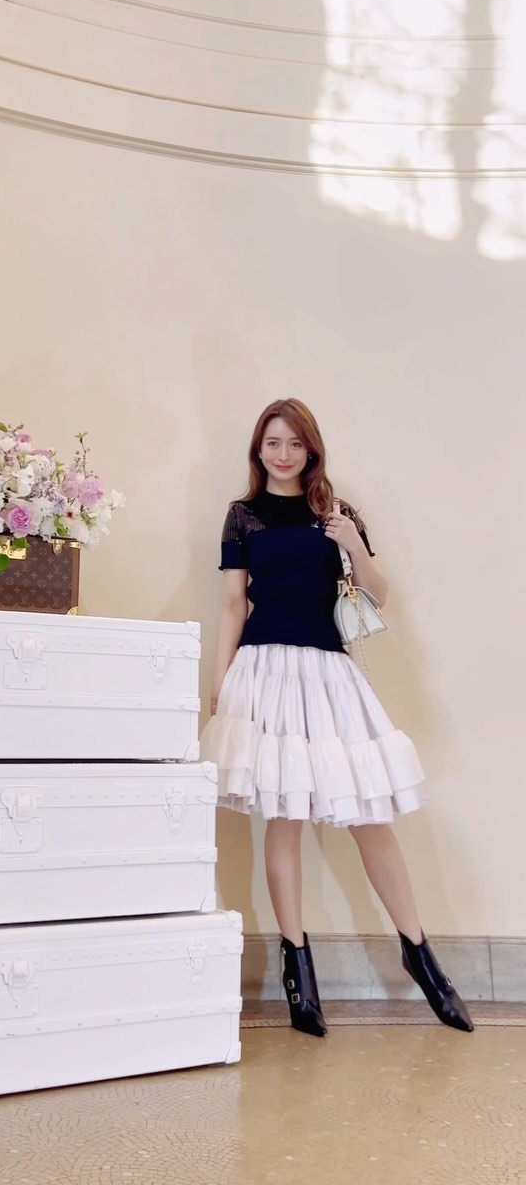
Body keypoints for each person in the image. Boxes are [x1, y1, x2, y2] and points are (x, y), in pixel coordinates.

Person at [201, 399, 473, 1037]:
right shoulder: (243, 515)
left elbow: (379, 594)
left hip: (329, 673)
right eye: (273, 442)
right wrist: (220, 681)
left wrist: (353, 543)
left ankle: (421, 957)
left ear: (312, 449)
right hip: (264, 671)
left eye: (295, 443)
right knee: (285, 819)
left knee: (370, 817)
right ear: (258, 449)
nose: (283, 454)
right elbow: (234, 604)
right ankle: (299, 975)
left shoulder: (337, 512)